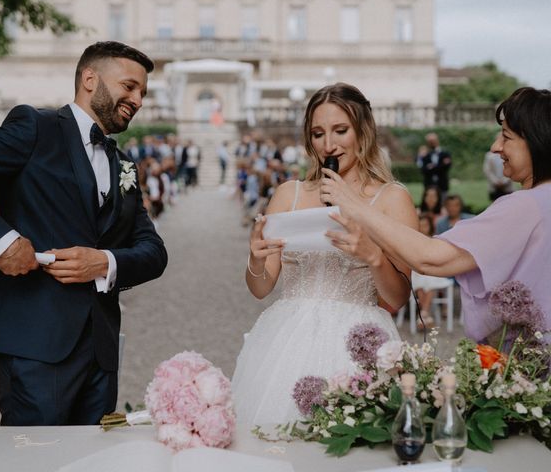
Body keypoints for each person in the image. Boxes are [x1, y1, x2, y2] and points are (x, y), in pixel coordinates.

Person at [0, 41, 168, 425]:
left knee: (91, 459)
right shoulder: (36, 128)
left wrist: (105, 261)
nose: (137, 99)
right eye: (130, 86)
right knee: (33, 457)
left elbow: (153, 252)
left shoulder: (125, 165)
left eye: (143, 93)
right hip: (35, 338)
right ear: (89, 79)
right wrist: (2, 242)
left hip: (101, 349)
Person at [232, 82, 418, 424]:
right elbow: (260, 289)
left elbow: (399, 296)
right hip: (286, 341)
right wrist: (256, 259)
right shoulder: (289, 194)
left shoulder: (393, 199)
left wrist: (373, 256)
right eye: (318, 134)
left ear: (363, 132)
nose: (328, 144)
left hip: (358, 342)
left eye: (340, 131)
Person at [322, 87, 551, 345]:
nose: (496, 146)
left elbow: (431, 259)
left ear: (536, 141)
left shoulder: (525, 206)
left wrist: (355, 206)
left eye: (506, 137)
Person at [483, 132, 514, 201]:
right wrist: (496, 181)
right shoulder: (489, 156)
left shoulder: (511, 154)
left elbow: (513, 168)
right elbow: (487, 170)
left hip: (507, 187)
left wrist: (504, 181)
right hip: (494, 187)